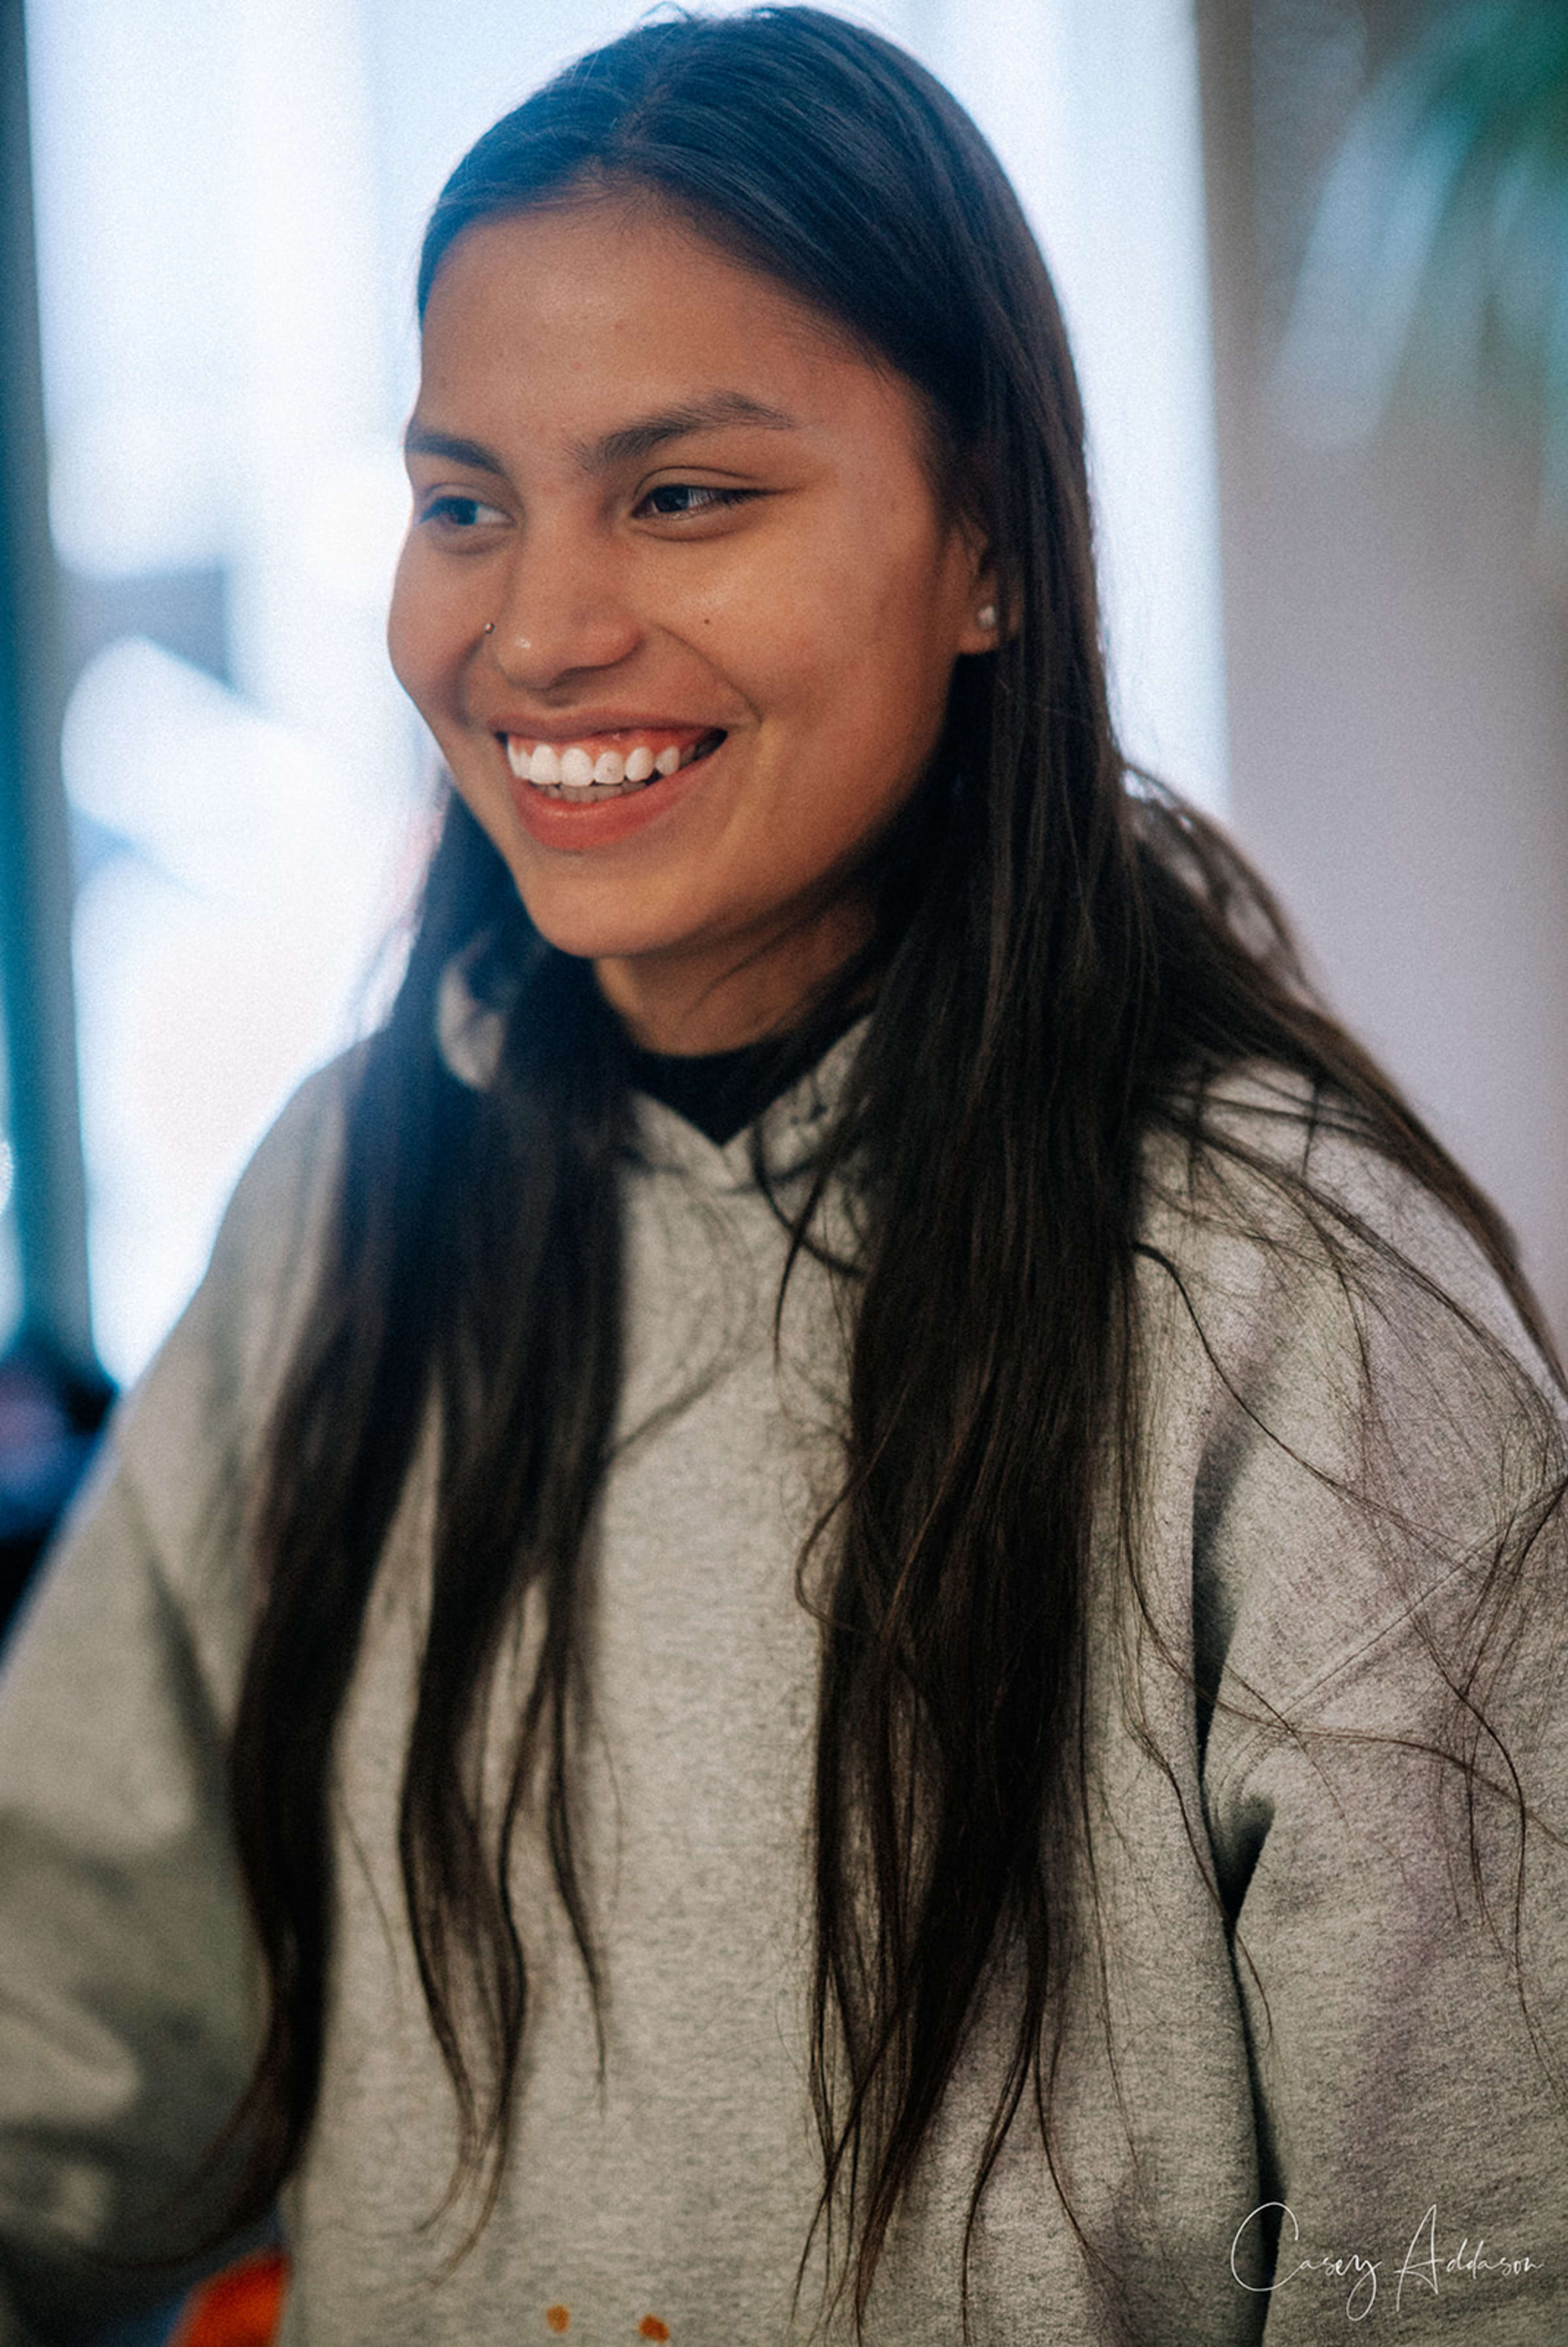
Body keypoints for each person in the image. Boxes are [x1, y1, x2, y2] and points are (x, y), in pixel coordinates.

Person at [1, 10, 1565, 2342]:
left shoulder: (1294, 1312)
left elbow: (1478, 2267)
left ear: (989, 551)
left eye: (685, 496)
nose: (536, 632)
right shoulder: (342, 1215)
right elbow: (58, 2057)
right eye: (463, 503)